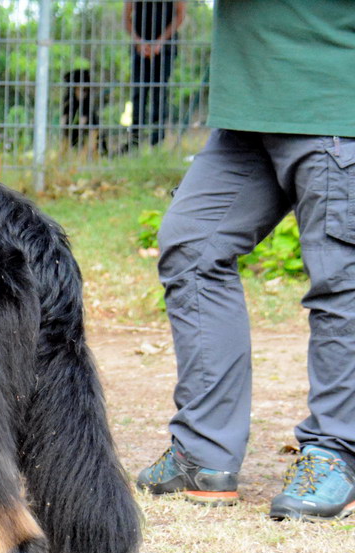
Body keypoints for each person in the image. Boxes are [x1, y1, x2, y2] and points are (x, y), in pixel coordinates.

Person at [136, 0, 355, 520]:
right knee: (192, 247)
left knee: (340, 279)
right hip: (248, 113)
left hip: (332, 100)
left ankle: (335, 452)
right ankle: (204, 452)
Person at [122, 1, 185, 150]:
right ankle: (135, 140)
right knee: (138, 93)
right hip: (139, 48)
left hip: (166, 47)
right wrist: (139, 42)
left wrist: (161, 41)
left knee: (160, 92)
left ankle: (157, 142)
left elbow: (180, 15)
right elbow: (126, 18)